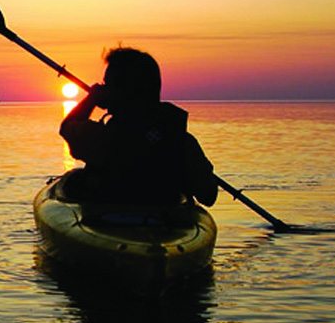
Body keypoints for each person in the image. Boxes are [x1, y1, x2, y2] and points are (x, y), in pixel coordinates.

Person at [59, 47, 217, 206]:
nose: (104, 89)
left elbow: (67, 128)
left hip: (111, 220)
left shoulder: (103, 138)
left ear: (124, 90)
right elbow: (208, 196)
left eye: (108, 85)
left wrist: (91, 99)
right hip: (165, 222)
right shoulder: (181, 141)